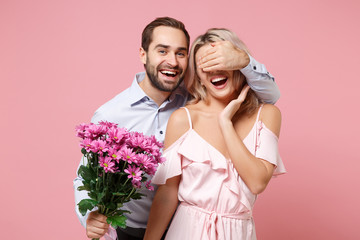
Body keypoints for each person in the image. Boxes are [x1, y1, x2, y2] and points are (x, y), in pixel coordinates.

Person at [73, 17, 281, 240]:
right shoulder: (112, 115)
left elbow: (270, 96)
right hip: (129, 227)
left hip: (180, 222)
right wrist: (91, 215)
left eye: (180, 53)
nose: (172, 61)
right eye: (162, 51)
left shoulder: (192, 96)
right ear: (143, 54)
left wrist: (244, 61)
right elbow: (87, 177)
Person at [143, 28, 286, 240]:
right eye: (205, 65)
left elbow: (257, 182)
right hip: (186, 231)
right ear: (198, 76)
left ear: (238, 65)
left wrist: (226, 123)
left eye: (220, 61)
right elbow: (167, 194)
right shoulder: (184, 118)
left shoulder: (267, 115)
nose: (214, 71)